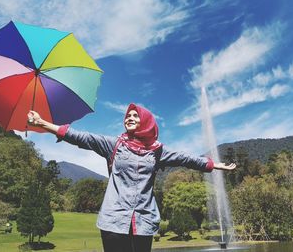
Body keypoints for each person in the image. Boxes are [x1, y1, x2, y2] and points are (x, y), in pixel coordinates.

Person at [27, 103, 235, 252]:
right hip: (114, 219)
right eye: (128, 116)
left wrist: (213, 164)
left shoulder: (157, 151)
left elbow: (185, 159)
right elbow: (82, 137)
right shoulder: (114, 145)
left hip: (143, 220)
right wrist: (42, 123)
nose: (130, 118)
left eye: (135, 116)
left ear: (145, 121)